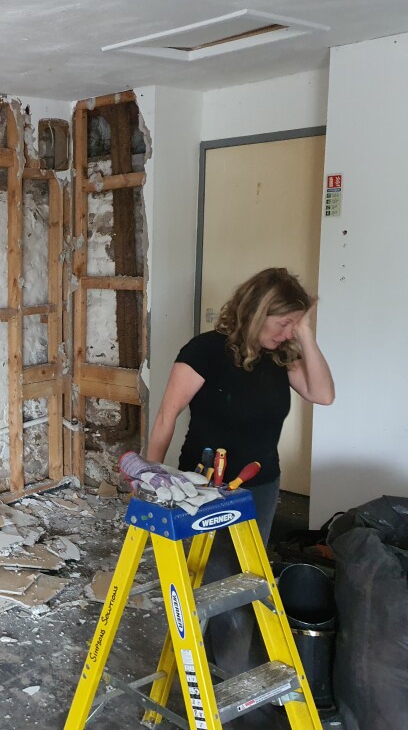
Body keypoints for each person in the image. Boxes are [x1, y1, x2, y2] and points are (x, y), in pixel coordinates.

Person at [146, 267, 335, 685]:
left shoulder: (281, 356)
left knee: (244, 585)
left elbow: (323, 394)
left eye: (294, 325)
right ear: (256, 312)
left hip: (260, 489)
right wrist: (150, 479)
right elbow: (165, 417)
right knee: (219, 583)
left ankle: (227, 679)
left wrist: (305, 334)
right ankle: (219, 682)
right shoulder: (204, 351)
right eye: (283, 322)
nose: (288, 332)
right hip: (203, 488)